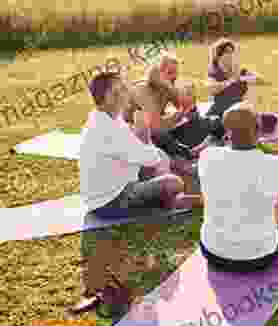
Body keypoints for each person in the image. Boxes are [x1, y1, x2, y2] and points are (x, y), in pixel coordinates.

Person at [75, 72, 202, 313]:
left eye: (123, 89)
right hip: (112, 201)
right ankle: (177, 202)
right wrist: (146, 137)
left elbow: (133, 149)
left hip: (111, 191)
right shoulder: (107, 129)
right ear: (106, 99)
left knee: (159, 173)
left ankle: (172, 201)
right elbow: (148, 156)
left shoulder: (106, 119)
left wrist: (143, 138)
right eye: (119, 91)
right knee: (173, 181)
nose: (125, 94)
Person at [198, 103, 278, 273]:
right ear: (259, 131)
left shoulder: (206, 157)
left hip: (212, 252)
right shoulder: (277, 166)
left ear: (226, 132)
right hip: (258, 257)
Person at [204, 36, 278, 137]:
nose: (230, 55)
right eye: (227, 52)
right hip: (221, 113)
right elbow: (212, 89)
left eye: (232, 52)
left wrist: (244, 78)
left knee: (272, 119)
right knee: (216, 125)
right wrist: (232, 80)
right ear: (218, 56)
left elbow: (262, 80)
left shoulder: (240, 71)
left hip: (241, 112)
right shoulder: (214, 72)